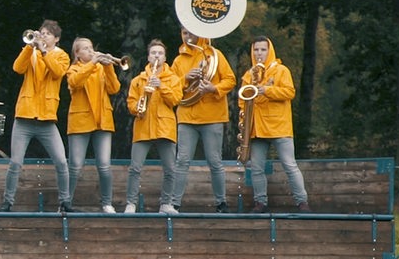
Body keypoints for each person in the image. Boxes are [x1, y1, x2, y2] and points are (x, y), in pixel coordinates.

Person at [0, 20, 73, 212]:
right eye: (41, 33)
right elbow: (17, 68)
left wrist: (44, 52)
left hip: (47, 119)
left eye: (48, 34)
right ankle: (7, 202)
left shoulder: (62, 56)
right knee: (15, 162)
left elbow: (57, 72)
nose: (43, 36)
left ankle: (65, 201)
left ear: (56, 39)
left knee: (62, 161)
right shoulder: (31, 52)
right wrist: (29, 47)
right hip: (24, 116)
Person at [241, 35, 310, 213]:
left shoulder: (281, 70)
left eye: (263, 49)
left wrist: (267, 90)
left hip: (280, 126)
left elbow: (289, 92)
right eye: (256, 49)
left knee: (289, 165)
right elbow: (242, 100)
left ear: (269, 51)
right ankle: (260, 202)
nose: (259, 53)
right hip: (257, 128)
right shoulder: (249, 74)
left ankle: (302, 202)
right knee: (256, 168)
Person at [171, 27, 236, 213]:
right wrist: (185, 78)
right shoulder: (178, 60)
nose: (188, 36)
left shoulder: (215, 55)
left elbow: (230, 80)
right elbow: (171, 88)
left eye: (191, 32)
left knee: (215, 161)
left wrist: (213, 89)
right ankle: (174, 203)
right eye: (184, 33)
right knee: (182, 161)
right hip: (186, 116)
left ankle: (221, 203)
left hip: (212, 116)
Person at [123, 39, 183, 214]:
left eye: (160, 53)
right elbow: (131, 103)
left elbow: (175, 100)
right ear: (148, 57)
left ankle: (166, 203)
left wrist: (161, 86)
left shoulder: (173, 79)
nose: (157, 55)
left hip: (165, 127)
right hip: (143, 126)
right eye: (153, 53)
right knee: (135, 168)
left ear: (165, 58)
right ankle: (131, 203)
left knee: (170, 168)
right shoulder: (138, 80)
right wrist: (137, 109)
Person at [65, 37, 122, 213]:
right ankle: (66, 202)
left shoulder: (101, 68)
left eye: (91, 47)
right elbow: (75, 82)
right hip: (81, 121)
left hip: (102, 121)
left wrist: (109, 66)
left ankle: (107, 203)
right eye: (86, 48)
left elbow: (114, 89)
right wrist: (93, 63)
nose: (91, 51)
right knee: (75, 165)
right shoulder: (73, 69)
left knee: (104, 165)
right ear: (77, 53)